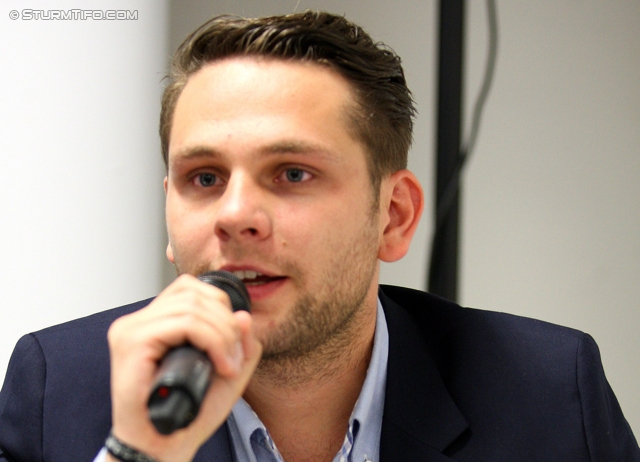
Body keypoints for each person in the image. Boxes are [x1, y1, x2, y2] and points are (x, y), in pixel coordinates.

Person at [0, 11, 638, 462]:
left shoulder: (548, 391)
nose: (234, 214)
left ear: (393, 217)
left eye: (293, 173)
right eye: (203, 178)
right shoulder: (61, 390)